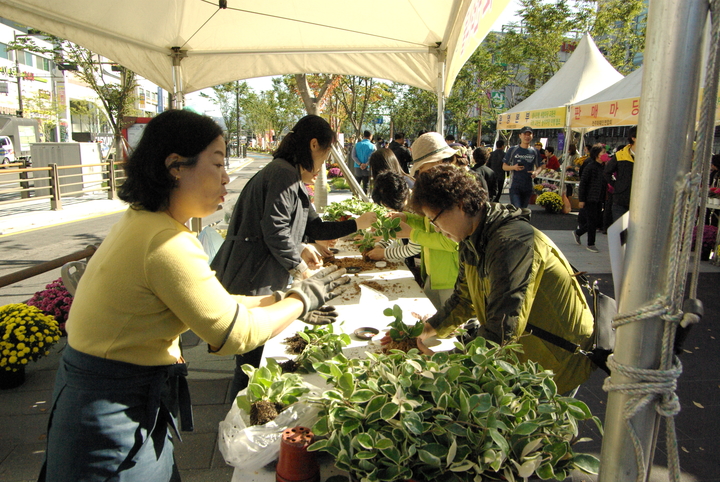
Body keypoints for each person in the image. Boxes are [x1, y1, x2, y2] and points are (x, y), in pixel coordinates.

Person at [39, 110, 350, 482]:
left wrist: (283, 298)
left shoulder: (149, 223)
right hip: (111, 415)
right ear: (175, 167)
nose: (226, 177)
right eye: (217, 163)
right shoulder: (165, 242)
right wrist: (302, 299)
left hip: (115, 399)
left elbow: (220, 302)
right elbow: (233, 333)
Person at [211, 115, 377, 397]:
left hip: (260, 272)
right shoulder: (283, 173)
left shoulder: (290, 177)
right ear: (313, 145)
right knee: (251, 358)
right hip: (253, 275)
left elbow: (314, 227)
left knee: (254, 354)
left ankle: (241, 406)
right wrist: (300, 268)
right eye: (324, 157)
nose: (322, 166)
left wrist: (355, 225)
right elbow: (275, 230)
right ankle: (237, 417)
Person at [406, 164, 595, 395]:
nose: (436, 229)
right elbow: (464, 300)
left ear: (461, 205)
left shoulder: (510, 243)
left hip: (555, 360)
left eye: (435, 220)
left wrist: (449, 363)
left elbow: (503, 328)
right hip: (526, 354)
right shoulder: (471, 236)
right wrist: (427, 329)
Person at [573, 145, 606, 252]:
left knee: (595, 221)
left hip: (599, 198)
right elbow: (583, 184)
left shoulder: (604, 167)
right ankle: (591, 244)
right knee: (592, 220)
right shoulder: (590, 166)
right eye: (603, 153)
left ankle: (578, 232)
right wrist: (581, 199)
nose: (605, 155)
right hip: (589, 198)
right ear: (597, 155)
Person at [503, 126, 543, 209]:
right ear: (520, 136)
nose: (527, 137)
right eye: (525, 134)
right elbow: (504, 166)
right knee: (517, 209)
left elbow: (541, 166)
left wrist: (536, 172)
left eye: (529, 134)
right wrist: (514, 167)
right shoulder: (513, 150)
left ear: (532, 136)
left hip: (528, 186)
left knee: (523, 210)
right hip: (515, 186)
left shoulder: (535, 151)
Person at [604, 126, 637, 222]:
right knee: (621, 230)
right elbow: (607, 172)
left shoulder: (649, 155)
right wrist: (617, 185)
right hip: (621, 199)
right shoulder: (621, 155)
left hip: (641, 201)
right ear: (633, 138)